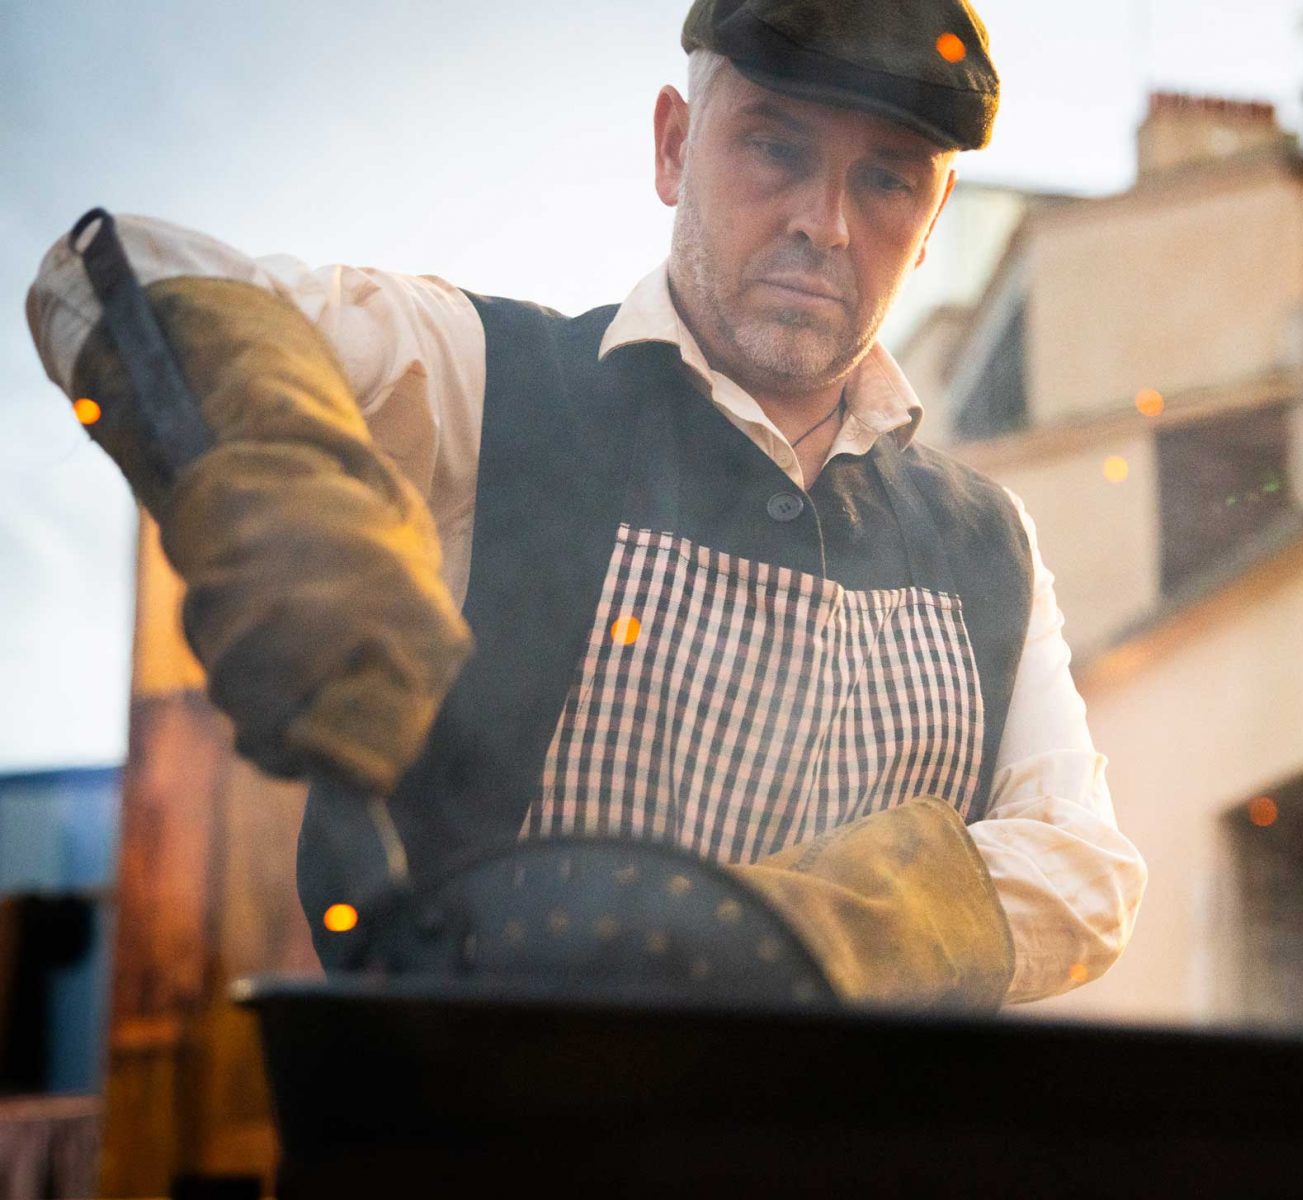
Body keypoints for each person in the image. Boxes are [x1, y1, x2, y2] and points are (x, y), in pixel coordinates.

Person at [24, 0, 1144, 1008]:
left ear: (933, 214)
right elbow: (119, 272)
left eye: (887, 177)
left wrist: (744, 943)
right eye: (776, 145)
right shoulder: (484, 384)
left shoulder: (988, 544)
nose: (826, 224)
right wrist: (286, 501)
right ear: (672, 145)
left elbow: (1084, 871)